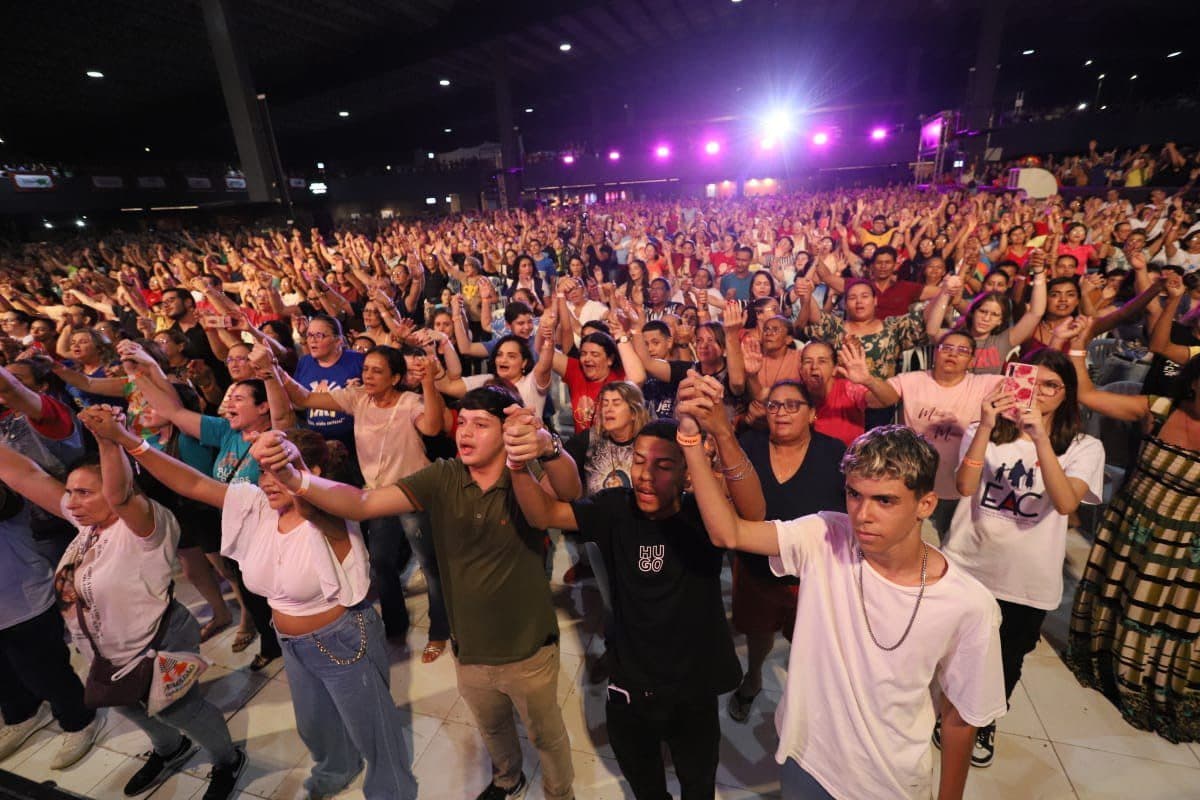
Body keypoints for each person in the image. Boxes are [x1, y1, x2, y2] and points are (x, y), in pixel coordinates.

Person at [253, 386, 578, 800]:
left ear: (506, 432)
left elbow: (570, 492)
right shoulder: (444, 477)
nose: (465, 432)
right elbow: (362, 503)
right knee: (492, 726)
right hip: (470, 646)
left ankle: (559, 792)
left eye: (481, 425)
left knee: (546, 734)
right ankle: (507, 779)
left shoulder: (527, 477)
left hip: (528, 648)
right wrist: (296, 478)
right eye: (463, 422)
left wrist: (549, 447)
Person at [89, 409, 418, 799]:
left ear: (309, 472)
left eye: (279, 471)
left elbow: (311, 498)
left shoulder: (330, 512)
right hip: (292, 644)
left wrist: (291, 464)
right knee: (315, 726)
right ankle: (336, 771)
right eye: (263, 472)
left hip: (343, 640)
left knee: (374, 731)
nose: (268, 481)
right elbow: (192, 483)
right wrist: (127, 440)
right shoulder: (257, 505)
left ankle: (391, 791)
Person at [681, 424, 1006, 799]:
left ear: (926, 504)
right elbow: (729, 533)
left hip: (888, 782)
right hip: (807, 759)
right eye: (854, 494)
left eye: (885, 500)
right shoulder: (825, 535)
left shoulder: (968, 605)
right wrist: (691, 441)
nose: (862, 514)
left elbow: (960, 718)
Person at [505, 406, 745, 800]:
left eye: (663, 465)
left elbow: (751, 513)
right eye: (639, 460)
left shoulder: (705, 517)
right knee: (646, 788)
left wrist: (720, 437)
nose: (646, 475)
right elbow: (543, 514)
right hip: (631, 683)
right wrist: (517, 462)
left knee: (699, 786)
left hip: (692, 686)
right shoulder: (617, 506)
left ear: (687, 474)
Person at [0, 416, 244, 799]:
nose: (72, 502)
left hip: (157, 639)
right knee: (126, 704)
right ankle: (170, 748)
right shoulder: (87, 524)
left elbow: (120, 496)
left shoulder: (143, 527)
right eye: (70, 492)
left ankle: (227, 759)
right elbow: (25, 474)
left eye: (85, 492)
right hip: (109, 648)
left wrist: (108, 441)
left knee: (178, 709)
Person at [943, 350, 1103, 766]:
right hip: (968, 562)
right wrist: (986, 426)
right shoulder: (983, 429)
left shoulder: (1084, 447)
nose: (1038, 393)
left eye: (1051, 385)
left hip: (1027, 579)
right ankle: (951, 712)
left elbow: (1066, 502)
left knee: (1007, 658)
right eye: (1032, 382)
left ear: (1066, 394)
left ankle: (984, 720)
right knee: (955, 648)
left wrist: (1040, 440)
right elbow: (965, 486)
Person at [266, 343, 450, 658]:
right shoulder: (358, 398)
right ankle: (395, 627)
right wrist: (273, 368)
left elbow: (432, 427)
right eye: (366, 369)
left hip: (412, 495)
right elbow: (304, 398)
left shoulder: (409, 402)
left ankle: (440, 631)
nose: (368, 376)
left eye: (377, 371)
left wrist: (429, 383)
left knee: (430, 565)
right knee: (380, 563)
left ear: (395, 378)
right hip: (376, 496)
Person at [1064, 321, 1200, 743]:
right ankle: (1106, 660)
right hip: (1133, 524)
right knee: (1117, 595)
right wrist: (1077, 347)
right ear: (1194, 383)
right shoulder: (1158, 407)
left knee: (1158, 613)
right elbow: (1087, 395)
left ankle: (1145, 680)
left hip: (1184, 543)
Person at [723, 379, 847, 722]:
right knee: (757, 631)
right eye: (775, 405)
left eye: (792, 405)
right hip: (756, 567)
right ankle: (753, 677)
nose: (781, 412)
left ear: (812, 414)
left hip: (812, 574)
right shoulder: (750, 444)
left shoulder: (834, 453)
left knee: (808, 639)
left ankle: (805, 694)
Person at [841, 331, 1004, 538]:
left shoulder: (984, 384)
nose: (953, 354)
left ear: (972, 360)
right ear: (935, 352)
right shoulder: (912, 380)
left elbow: (1027, 385)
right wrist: (868, 380)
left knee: (951, 546)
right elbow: (883, 399)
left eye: (962, 350)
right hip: (911, 484)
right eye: (947, 348)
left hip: (958, 488)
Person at [0, 479, 101, 770]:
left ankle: (79, 720)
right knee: (4, 675)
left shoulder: (8, 478)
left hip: (22, 598)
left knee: (44, 671)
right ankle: (23, 714)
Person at [797, 341, 867, 446]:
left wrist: (868, 381)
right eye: (808, 361)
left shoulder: (849, 388)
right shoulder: (793, 393)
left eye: (822, 361)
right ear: (801, 369)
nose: (814, 366)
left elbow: (885, 401)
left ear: (834, 369)